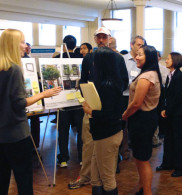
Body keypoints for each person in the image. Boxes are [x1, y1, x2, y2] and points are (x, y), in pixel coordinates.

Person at [0, 29, 61, 195]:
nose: (25, 46)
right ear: (13, 45)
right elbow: (19, 103)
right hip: (16, 134)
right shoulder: (14, 69)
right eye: (22, 42)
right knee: (23, 179)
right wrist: (44, 94)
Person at [68, 27, 128, 189]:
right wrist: (87, 98)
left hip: (109, 111)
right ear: (95, 39)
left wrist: (109, 93)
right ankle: (86, 175)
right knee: (88, 144)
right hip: (91, 108)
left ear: (109, 38)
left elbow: (124, 81)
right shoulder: (88, 58)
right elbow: (83, 81)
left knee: (107, 149)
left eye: (104, 37)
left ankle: (108, 171)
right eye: (98, 37)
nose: (101, 40)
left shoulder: (118, 59)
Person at [82, 46, 123, 195]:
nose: (92, 64)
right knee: (96, 177)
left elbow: (110, 114)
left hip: (108, 134)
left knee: (107, 178)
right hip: (101, 134)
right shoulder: (105, 82)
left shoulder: (108, 86)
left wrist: (90, 111)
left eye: (95, 61)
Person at [122, 45, 162, 195]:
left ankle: (146, 192)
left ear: (149, 58)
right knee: (139, 157)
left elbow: (137, 103)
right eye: (136, 54)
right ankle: (141, 187)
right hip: (144, 118)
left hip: (142, 119)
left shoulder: (146, 76)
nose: (136, 57)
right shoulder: (148, 73)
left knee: (143, 159)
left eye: (140, 55)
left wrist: (124, 116)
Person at [156, 52, 182, 177]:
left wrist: (167, 110)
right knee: (169, 139)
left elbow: (177, 98)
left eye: (168, 59)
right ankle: (168, 163)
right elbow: (167, 96)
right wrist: (164, 108)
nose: (166, 61)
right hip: (171, 113)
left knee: (179, 140)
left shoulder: (179, 77)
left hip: (178, 114)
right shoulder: (170, 75)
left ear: (174, 61)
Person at [56, 35, 84, 168]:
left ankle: (63, 159)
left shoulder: (57, 59)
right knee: (81, 130)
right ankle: (82, 157)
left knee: (63, 130)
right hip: (79, 99)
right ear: (75, 45)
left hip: (62, 101)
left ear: (63, 45)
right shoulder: (81, 59)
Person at [121, 35, 146, 160]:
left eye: (142, 45)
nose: (140, 47)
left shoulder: (143, 59)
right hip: (125, 96)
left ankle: (137, 149)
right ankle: (124, 150)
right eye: (138, 45)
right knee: (124, 125)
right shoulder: (123, 59)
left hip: (139, 96)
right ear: (132, 45)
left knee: (137, 124)